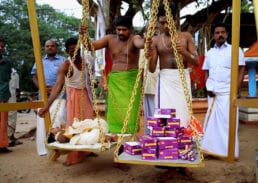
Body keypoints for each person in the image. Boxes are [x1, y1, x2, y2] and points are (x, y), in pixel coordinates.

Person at [145, 3, 199, 179]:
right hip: (166, 81)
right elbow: (152, 69)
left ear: (174, 20)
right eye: (161, 23)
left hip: (182, 80)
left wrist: (184, 53)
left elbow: (196, 62)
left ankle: (184, 162)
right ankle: (170, 164)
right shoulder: (155, 40)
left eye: (168, 22)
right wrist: (149, 56)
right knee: (167, 123)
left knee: (184, 120)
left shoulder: (186, 36)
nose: (165, 26)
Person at [81, 16, 145, 134]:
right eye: (118, 29)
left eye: (124, 29)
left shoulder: (134, 38)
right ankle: (116, 138)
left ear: (130, 29)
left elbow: (140, 44)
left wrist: (146, 41)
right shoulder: (109, 39)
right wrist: (84, 35)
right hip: (115, 80)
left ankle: (129, 139)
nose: (121, 32)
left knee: (129, 111)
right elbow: (91, 46)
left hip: (130, 80)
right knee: (114, 111)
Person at [38, 37, 95, 166]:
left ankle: (87, 151)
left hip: (85, 95)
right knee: (74, 127)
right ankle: (73, 156)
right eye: (71, 50)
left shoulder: (87, 60)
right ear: (66, 51)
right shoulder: (66, 65)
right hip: (73, 97)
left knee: (88, 124)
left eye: (77, 50)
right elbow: (57, 86)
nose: (74, 53)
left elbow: (90, 78)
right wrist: (46, 106)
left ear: (80, 49)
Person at [201, 22, 245, 159]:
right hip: (212, 94)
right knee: (211, 122)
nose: (220, 35)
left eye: (222, 32)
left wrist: (236, 88)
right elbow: (206, 71)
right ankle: (210, 150)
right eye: (217, 32)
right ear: (213, 36)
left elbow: (241, 68)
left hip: (228, 94)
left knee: (227, 123)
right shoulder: (210, 53)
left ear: (227, 34)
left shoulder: (235, 50)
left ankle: (228, 152)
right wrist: (207, 87)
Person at [31, 39, 67, 156]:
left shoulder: (63, 60)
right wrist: (42, 88)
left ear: (56, 47)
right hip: (43, 96)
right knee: (42, 120)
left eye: (52, 46)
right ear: (45, 48)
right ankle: (44, 149)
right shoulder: (39, 61)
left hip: (60, 95)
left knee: (59, 116)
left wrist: (58, 86)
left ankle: (60, 146)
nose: (50, 48)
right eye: (47, 46)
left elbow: (68, 77)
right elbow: (34, 77)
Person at [0, 38, 12, 153]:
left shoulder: (7, 62)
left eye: (2, 46)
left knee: (3, 121)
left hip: (3, 95)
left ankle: (2, 145)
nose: (0, 48)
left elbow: (8, 77)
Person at [8, 68, 23, 147]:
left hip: (12, 97)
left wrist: (18, 96)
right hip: (3, 96)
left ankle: (11, 136)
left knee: (12, 116)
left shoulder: (15, 73)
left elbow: (17, 88)